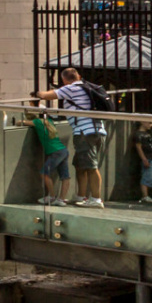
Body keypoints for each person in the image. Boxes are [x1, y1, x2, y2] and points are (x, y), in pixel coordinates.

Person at [33, 68, 105, 207]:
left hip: (85, 132)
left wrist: (37, 93)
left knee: (90, 166)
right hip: (94, 129)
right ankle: (81, 196)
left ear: (64, 80)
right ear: (78, 76)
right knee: (80, 165)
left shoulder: (71, 88)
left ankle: (96, 199)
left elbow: (46, 95)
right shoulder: (84, 87)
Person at [29, 107, 73, 205]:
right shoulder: (50, 122)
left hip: (55, 152)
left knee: (44, 173)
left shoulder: (37, 122)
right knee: (65, 176)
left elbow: (21, 122)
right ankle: (61, 199)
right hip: (63, 150)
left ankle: (51, 196)